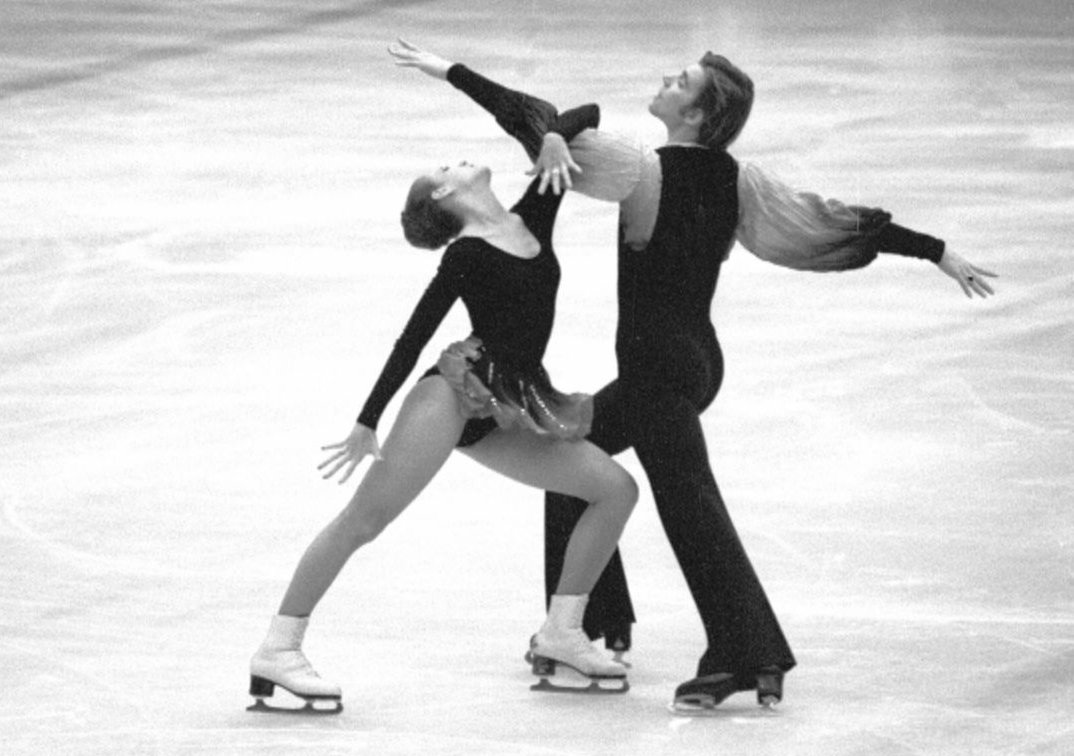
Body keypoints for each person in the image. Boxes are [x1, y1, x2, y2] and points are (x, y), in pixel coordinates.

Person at [389, 39, 997, 710]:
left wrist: (457, 76)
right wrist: (933, 249)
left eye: (680, 81)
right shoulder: (739, 181)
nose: (665, 79)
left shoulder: (641, 169)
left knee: (690, 506)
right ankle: (590, 623)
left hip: (655, 369)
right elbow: (825, 222)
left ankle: (746, 653)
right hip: (695, 362)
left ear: (697, 115)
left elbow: (533, 118)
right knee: (568, 458)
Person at [248, 85, 640, 712]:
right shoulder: (466, 255)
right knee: (364, 521)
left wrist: (552, 137)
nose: (456, 161)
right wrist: (367, 420)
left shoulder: (530, 216)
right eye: (444, 168)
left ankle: (561, 632)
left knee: (615, 489)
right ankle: (279, 648)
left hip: (514, 402)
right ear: (442, 196)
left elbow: (580, 113)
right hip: (453, 396)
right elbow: (413, 336)